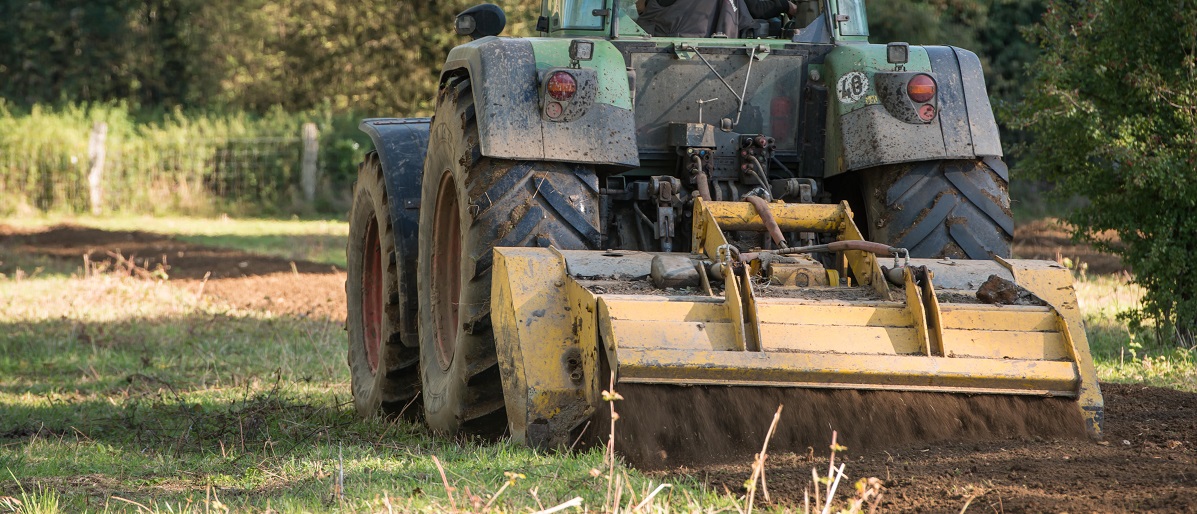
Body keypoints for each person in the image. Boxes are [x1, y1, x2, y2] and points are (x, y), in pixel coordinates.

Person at [634, 0, 799, 38]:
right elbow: (756, 9)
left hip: (662, 53)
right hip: (716, 55)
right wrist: (785, 5)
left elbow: (641, 7)